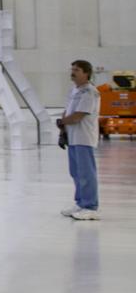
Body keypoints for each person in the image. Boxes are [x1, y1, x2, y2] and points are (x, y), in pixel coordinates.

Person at [59, 59, 101, 220]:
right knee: (75, 173)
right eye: (72, 69)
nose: (73, 72)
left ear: (86, 73)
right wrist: (62, 128)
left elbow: (78, 115)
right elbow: (67, 111)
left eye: (77, 70)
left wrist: (63, 121)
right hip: (73, 138)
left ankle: (91, 206)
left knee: (86, 173)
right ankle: (80, 203)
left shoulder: (90, 92)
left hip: (84, 138)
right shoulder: (74, 91)